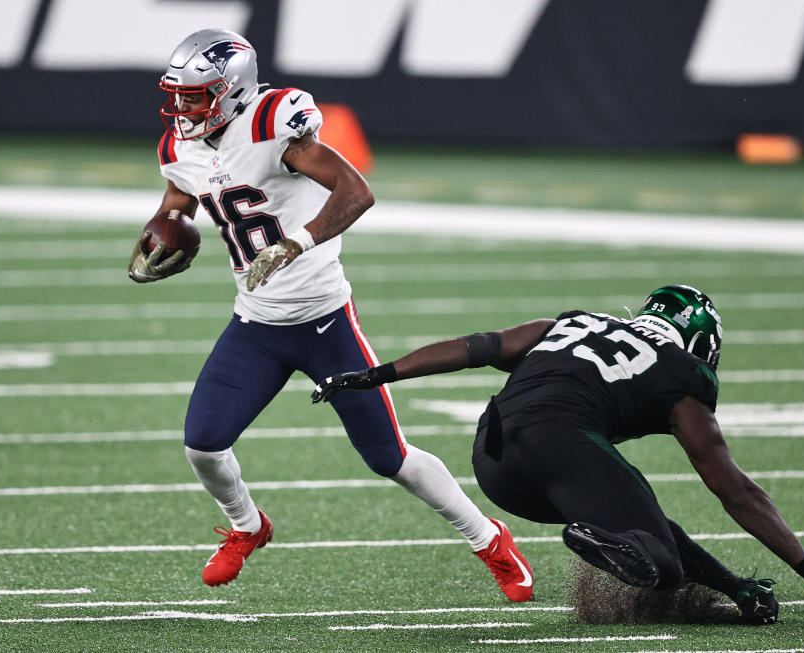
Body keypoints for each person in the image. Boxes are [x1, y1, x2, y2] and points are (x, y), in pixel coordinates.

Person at [126, 28, 533, 601]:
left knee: (389, 458)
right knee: (203, 444)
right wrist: (161, 235)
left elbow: (355, 190)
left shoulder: (272, 122)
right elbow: (178, 203)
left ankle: (489, 538)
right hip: (256, 325)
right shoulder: (179, 146)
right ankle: (248, 526)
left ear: (232, 88)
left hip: (324, 322)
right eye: (178, 95)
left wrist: (297, 242)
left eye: (194, 96)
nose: (181, 108)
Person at [312, 284, 804, 623]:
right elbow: (733, 488)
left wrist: (377, 374)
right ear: (700, 344)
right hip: (564, 451)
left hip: (493, 456)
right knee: (657, 567)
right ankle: (591, 535)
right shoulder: (682, 375)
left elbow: (476, 348)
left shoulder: (576, 322)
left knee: (641, 525)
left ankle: (632, 545)